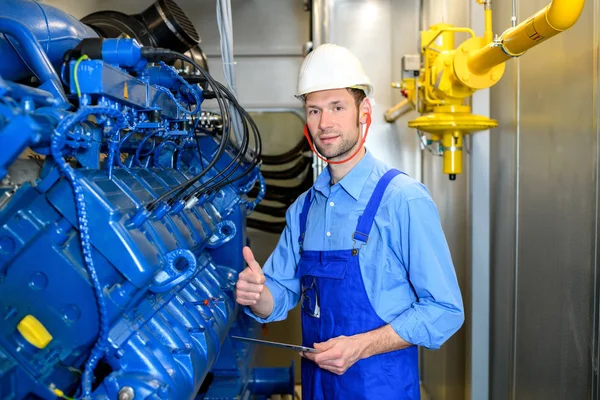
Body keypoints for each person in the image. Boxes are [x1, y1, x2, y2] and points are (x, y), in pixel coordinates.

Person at [235, 43, 464, 400]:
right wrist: (258, 294)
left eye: (337, 107)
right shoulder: (303, 209)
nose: (324, 123)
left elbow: (445, 310)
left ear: (364, 112)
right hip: (316, 389)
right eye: (314, 110)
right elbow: (277, 296)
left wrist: (362, 346)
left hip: (381, 388)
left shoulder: (403, 199)